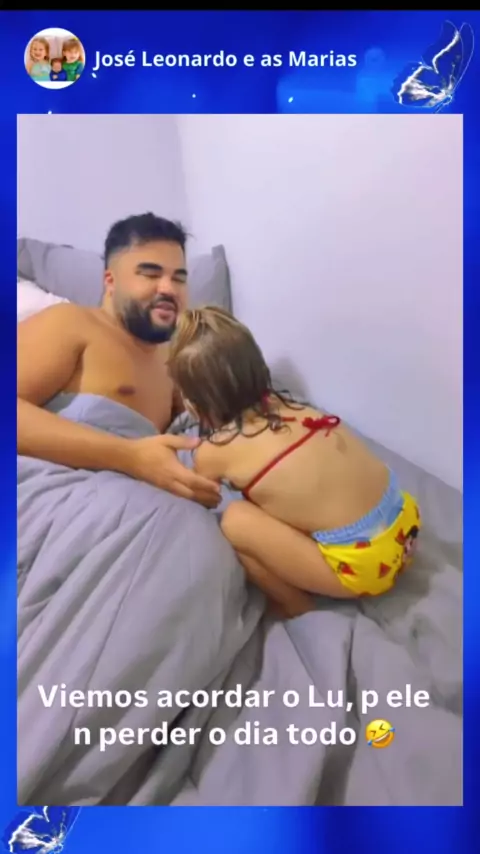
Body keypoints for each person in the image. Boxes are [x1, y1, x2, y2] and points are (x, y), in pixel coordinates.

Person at [168, 306, 422, 618]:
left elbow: (203, 496)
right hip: (405, 521)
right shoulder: (292, 406)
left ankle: (294, 606)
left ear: (193, 403)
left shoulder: (213, 452)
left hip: (368, 564)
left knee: (234, 520)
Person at [17, 213, 221, 509]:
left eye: (179, 278)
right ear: (110, 282)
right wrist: (130, 456)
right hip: (69, 502)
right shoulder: (69, 323)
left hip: (151, 501)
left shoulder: (172, 360)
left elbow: (198, 428)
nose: (168, 288)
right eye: (150, 274)